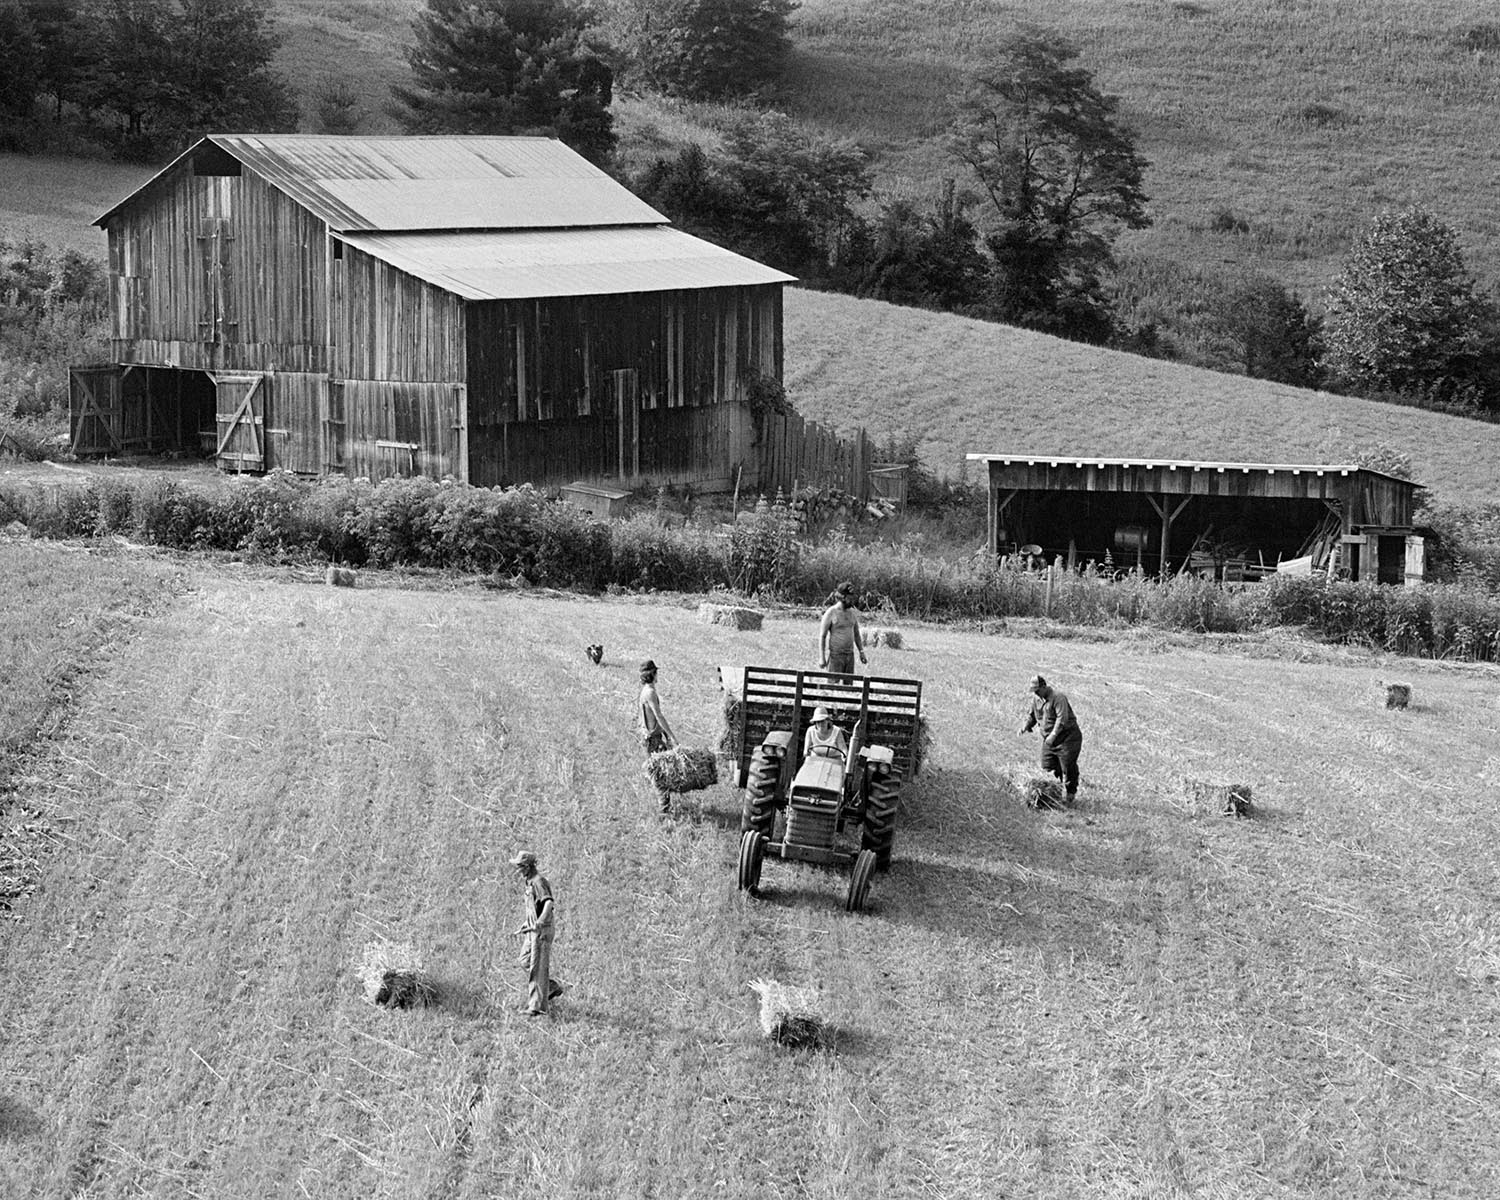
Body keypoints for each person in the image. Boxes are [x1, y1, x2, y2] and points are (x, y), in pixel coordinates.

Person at [1019, 674, 1083, 803]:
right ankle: (1053, 795)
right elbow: (1033, 715)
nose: (1035, 693)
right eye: (1033, 691)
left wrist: (1053, 735)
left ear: (1044, 687)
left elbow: (1062, 719)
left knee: (1067, 767)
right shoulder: (1037, 699)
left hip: (1067, 738)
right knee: (1047, 766)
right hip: (1049, 739)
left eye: (1037, 690)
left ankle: (1070, 795)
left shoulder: (1058, 698)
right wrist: (1025, 726)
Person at [511, 850, 558, 1017]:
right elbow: (534, 907)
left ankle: (536, 1008)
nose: (518, 870)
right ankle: (550, 987)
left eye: (520, 867)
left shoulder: (539, 881)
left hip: (541, 931)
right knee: (524, 960)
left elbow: (548, 903)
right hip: (532, 931)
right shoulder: (529, 882)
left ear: (528, 867)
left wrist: (539, 922)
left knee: (537, 968)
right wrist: (527, 923)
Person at [638, 659, 677, 812]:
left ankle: (665, 807)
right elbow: (658, 716)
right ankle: (664, 811)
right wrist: (672, 736)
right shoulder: (650, 693)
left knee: (659, 771)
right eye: (656, 672)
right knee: (660, 774)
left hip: (650, 737)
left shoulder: (645, 691)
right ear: (653, 674)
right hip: (652, 739)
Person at [818, 581, 867, 681]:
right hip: (836, 656)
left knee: (849, 689)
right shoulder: (831, 612)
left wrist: (861, 652)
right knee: (833, 687)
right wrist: (822, 657)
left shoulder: (852, 613)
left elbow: (856, 634)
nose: (852, 601)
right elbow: (822, 636)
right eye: (850, 598)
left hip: (850, 656)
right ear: (842, 597)